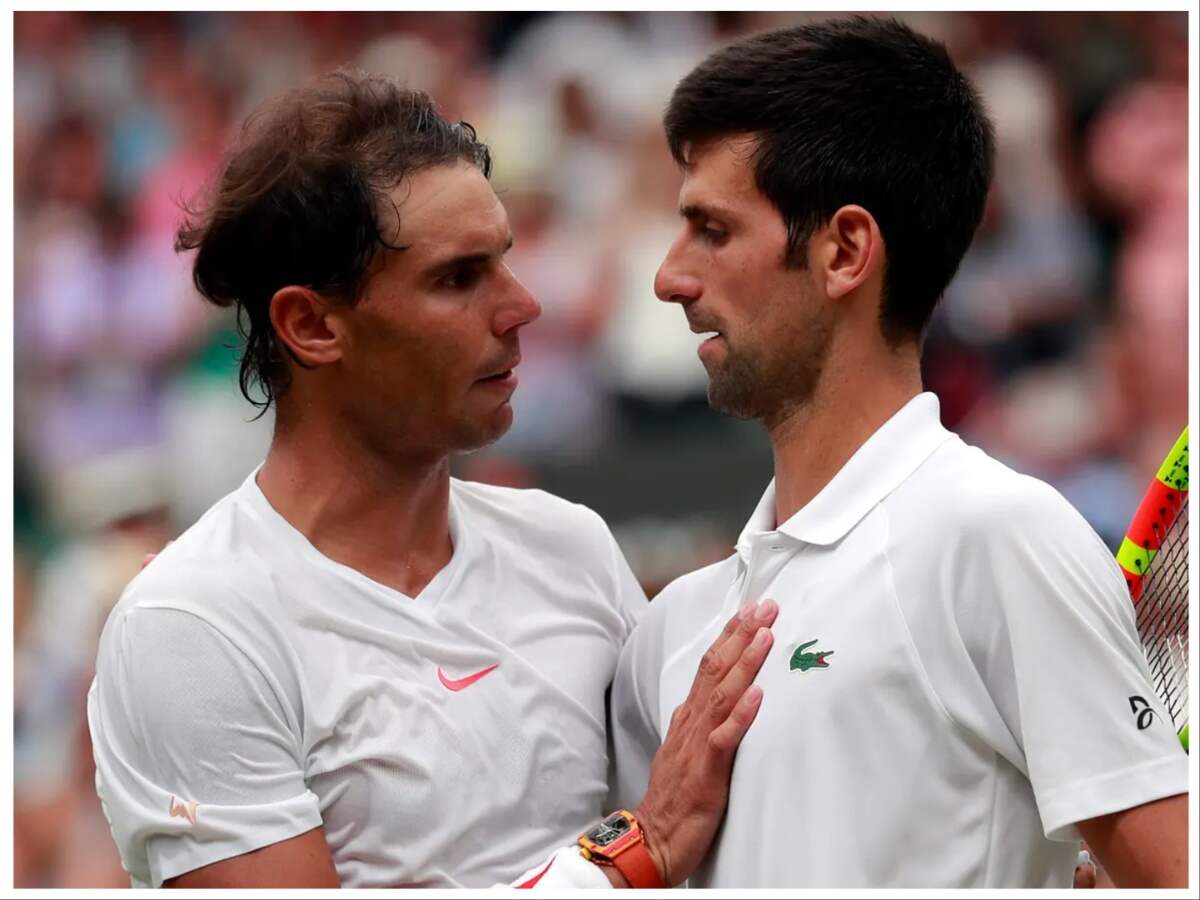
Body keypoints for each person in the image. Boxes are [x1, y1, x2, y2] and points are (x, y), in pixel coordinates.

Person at [86, 71, 778, 889]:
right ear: (311, 326)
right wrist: (637, 854)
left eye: (506, 263)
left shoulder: (572, 547)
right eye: (459, 277)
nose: (522, 307)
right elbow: (658, 832)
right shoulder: (191, 625)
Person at [609, 16, 1188, 889]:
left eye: (713, 231)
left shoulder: (996, 537)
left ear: (845, 251)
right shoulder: (671, 630)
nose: (669, 277)